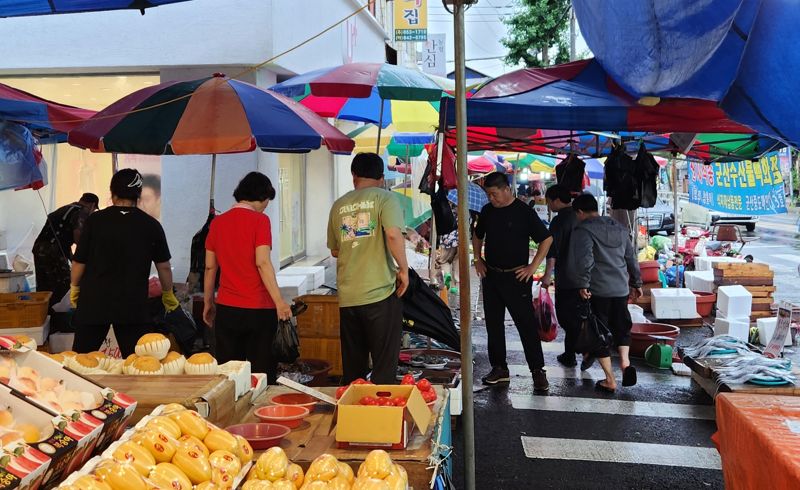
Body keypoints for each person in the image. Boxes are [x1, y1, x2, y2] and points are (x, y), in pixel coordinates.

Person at [70, 169, 178, 356]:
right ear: (138, 195)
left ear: (112, 193)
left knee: (81, 361)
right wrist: (168, 293)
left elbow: (79, 262)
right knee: (138, 363)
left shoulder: (95, 221)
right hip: (133, 306)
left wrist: (74, 287)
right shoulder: (151, 225)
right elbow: (164, 267)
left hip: (93, 303)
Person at [327, 153, 409, 385]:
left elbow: (335, 250)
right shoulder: (385, 198)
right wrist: (403, 269)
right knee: (383, 367)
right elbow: (393, 234)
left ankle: (354, 417)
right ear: (382, 178)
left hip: (348, 297)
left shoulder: (339, 205)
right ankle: (381, 418)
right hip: (379, 294)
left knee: (354, 371)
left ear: (354, 176)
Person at [203, 172, 290, 381]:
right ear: (262, 197)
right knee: (260, 374)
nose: (266, 206)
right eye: (267, 201)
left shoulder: (217, 223)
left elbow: (209, 267)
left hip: (227, 309)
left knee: (230, 376)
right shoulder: (260, 221)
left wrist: (208, 302)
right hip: (259, 310)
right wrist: (279, 302)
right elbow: (262, 261)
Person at [472, 172, 553, 391]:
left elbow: (546, 239)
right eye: (488, 195)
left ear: (506, 189)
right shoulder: (487, 211)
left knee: (525, 325)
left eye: (494, 194)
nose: (491, 199)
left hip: (517, 277)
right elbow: (477, 235)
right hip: (491, 275)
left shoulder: (523, 211)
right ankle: (499, 368)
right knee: (493, 324)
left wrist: (533, 267)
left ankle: (538, 371)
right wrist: (477, 259)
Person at [568, 193, 643, 392]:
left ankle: (610, 379)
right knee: (622, 327)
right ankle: (626, 364)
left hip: (598, 289)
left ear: (580, 212)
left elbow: (585, 260)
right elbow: (631, 257)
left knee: (598, 332)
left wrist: (582, 283)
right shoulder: (619, 227)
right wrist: (636, 282)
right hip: (620, 288)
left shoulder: (583, 230)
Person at [33, 193, 99, 308]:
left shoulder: (64, 209)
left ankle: (45, 315)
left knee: (44, 286)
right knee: (63, 285)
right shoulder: (82, 212)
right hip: (53, 250)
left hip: (39, 248)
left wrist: (72, 257)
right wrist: (85, 254)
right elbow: (78, 235)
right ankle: (61, 317)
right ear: (92, 205)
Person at [540, 184, 581, 367]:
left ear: (556, 200)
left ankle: (572, 353)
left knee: (566, 316)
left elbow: (552, 251)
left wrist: (547, 276)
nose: (548, 206)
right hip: (586, 276)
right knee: (581, 315)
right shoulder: (580, 216)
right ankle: (577, 351)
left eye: (549, 202)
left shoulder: (559, 221)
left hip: (567, 277)